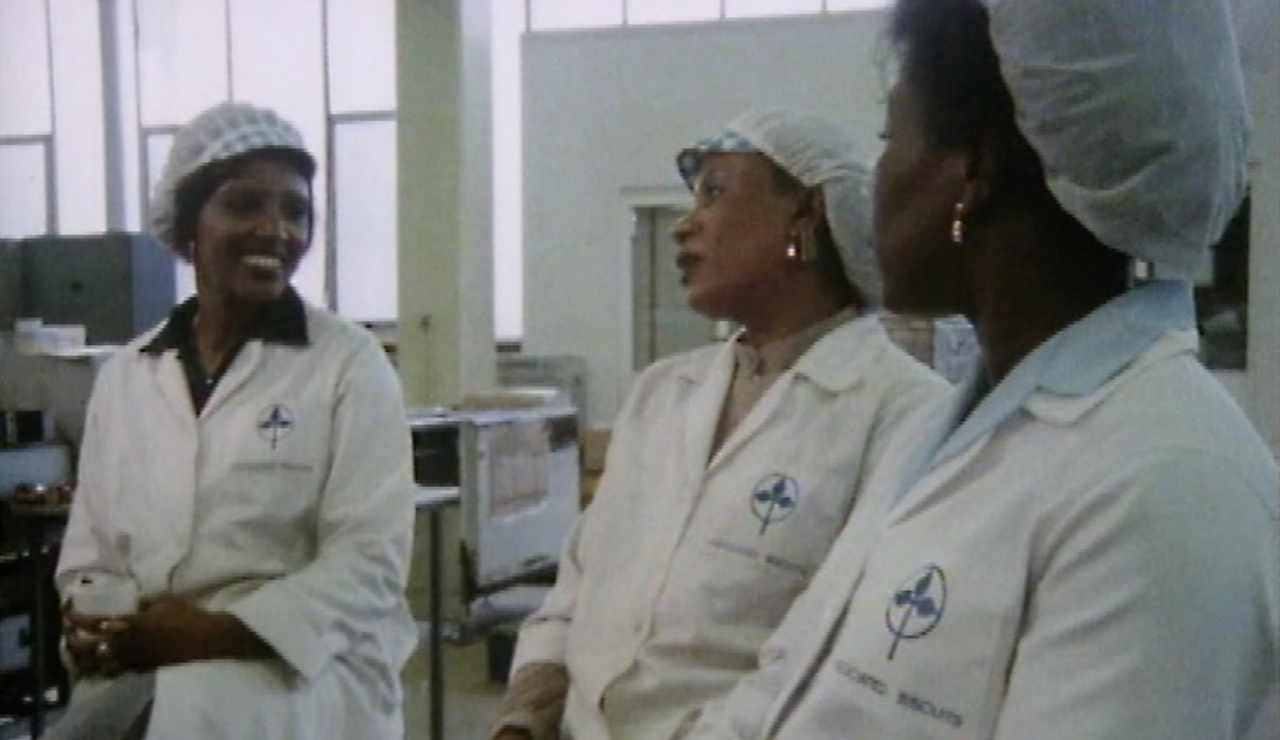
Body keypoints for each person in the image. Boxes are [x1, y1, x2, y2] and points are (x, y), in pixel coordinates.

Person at [680, 1, 1279, 739]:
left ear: (976, 168)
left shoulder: (1166, 487)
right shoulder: (946, 429)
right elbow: (785, 688)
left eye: (890, 138)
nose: (876, 181)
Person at [490, 109, 947, 740]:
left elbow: (841, 656)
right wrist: (527, 715)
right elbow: (578, 586)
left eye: (714, 192)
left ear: (807, 216)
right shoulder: (661, 392)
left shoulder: (904, 413)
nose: (685, 225)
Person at [47, 101, 418, 740]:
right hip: (146, 658)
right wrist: (91, 619)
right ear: (188, 224)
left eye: (296, 211)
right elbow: (92, 551)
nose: (276, 230)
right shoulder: (129, 375)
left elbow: (369, 563)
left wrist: (215, 633)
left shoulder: (348, 364)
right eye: (245, 205)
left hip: (297, 673)